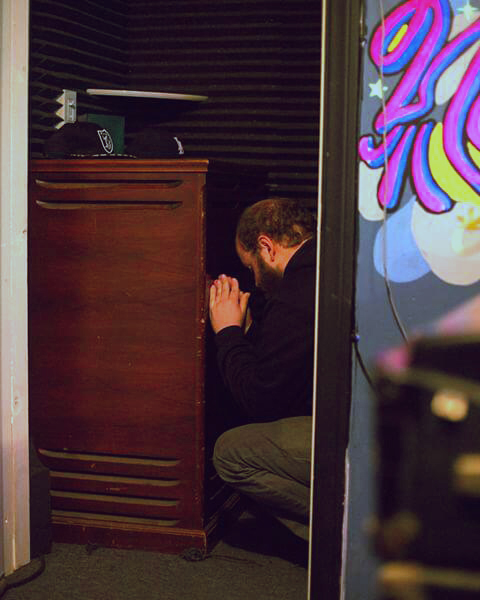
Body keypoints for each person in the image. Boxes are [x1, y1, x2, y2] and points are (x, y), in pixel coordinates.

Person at [209, 197, 316, 541]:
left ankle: (343, 532)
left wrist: (227, 333)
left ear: (266, 247)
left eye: (251, 266)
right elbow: (291, 371)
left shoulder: (296, 296)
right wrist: (252, 331)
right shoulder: (323, 266)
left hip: (353, 438)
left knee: (230, 453)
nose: (254, 280)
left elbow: (262, 401)